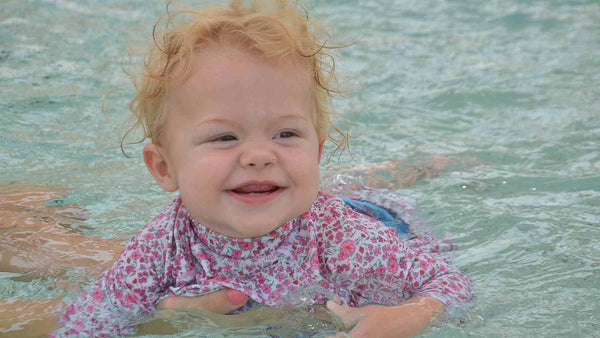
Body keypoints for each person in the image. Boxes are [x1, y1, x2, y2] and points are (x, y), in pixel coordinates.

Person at [51, 1, 472, 336]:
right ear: (164, 168)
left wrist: (409, 316)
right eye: (224, 137)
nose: (259, 155)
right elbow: (88, 323)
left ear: (317, 153)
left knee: (370, 190)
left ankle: (421, 167)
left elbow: (449, 283)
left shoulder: (343, 240)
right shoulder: (160, 249)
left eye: (286, 134)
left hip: (382, 220)